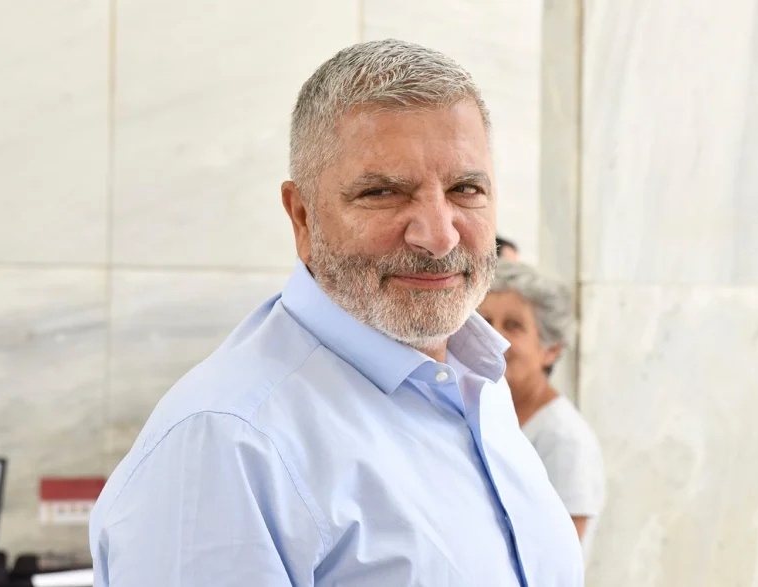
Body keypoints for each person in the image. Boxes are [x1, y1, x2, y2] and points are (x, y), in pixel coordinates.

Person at [89, 39, 583, 586]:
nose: (440, 236)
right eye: (383, 193)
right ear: (302, 217)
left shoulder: (476, 385)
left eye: (466, 189)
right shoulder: (227, 443)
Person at [478, 259, 606, 555]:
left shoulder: (563, 439)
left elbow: (559, 554)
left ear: (550, 350)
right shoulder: (485, 413)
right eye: (485, 323)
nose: (494, 338)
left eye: (513, 326)